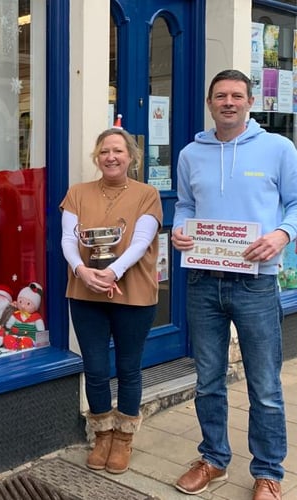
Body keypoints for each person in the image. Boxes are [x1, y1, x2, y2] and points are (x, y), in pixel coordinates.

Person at [171, 69, 297, 500]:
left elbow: (296, 203)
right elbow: (186, 204)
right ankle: (213, 459)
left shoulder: (279, 148)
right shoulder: (191, 153)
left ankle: (268, 473)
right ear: (210, 104)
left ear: (249, 101)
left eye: (237, 96)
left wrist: (281, 234)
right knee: (207, 379)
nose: (228, 102)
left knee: (264, 386)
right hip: (203, 280)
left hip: (256, 285)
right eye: (220, 96)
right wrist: (179, 230)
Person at [60, 127, 162, 475]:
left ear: (131, 157)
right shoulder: (77, 193)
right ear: (96, 157)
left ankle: (124, 438)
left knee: (129, 368)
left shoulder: (147, 194)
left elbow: (141, 241)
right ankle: (101, 433)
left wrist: (112, 272)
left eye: (118, 151)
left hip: (133, 293)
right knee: (96, 368)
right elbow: (67, 238)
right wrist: (81, 270)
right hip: (85, 291)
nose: (111, 157)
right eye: (105, 151)